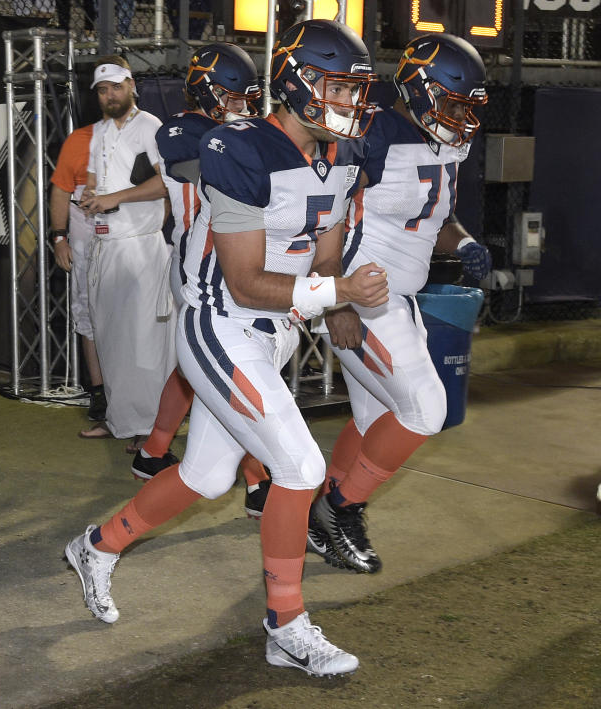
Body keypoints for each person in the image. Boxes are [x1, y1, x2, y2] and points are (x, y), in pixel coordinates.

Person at [65, 20, 389, 677]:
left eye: (357, 92)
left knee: (208, 476)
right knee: (298, 468)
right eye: (338, 88)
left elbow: (324, 248)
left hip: (275, 333)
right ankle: (286, 625)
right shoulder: (242, 149)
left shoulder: (344, 156)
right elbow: (245, 281)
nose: (352, 105)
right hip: (221, 324)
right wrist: (337, 291)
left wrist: (339, 296)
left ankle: (96, 546)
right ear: (298, 84)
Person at [308, 33, 492, 574]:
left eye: (467, 106)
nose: (460, 117)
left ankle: (319, 514)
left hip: (401, 298)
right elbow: (325, 219)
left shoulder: (449, 142)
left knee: (376, 419)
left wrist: (461, 242)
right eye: (452, 103)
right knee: (425, 409)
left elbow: (432, 216)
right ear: (419, 91)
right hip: (361, 298)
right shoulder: (373, 133)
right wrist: (335, 300)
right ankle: (340, 508)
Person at [133, 42, 273, 519]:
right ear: (203, 90)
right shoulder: (180, 130)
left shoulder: (239, 131)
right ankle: (258, 481)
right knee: (236, 371)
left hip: (224, 259)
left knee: (201, 367)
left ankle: (153, 451)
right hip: (200, 264)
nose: (239, 108)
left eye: (244, 99)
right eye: (230, 98)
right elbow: (207, 166)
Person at [76, 56, 175, 447]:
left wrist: (117, 197)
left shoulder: (150, 126)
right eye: (102, 89)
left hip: (140, 247)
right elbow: (94, 179)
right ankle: (119, 420)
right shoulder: (99, 131)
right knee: (110, 339)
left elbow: (166, 182)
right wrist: (90, 193)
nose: (109, 95)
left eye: (116, 86)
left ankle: (148, 428)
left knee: (143, 342)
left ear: (131, 85)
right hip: (105, 244)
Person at [49, 123, 107, 422]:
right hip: (85, 225)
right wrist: (59, 237)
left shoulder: (146, 130)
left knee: (135, 313)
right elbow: (61, 188)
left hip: (131, 230)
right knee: (87, 311)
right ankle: (99, 392)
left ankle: (131, 390)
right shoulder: (80, 139)